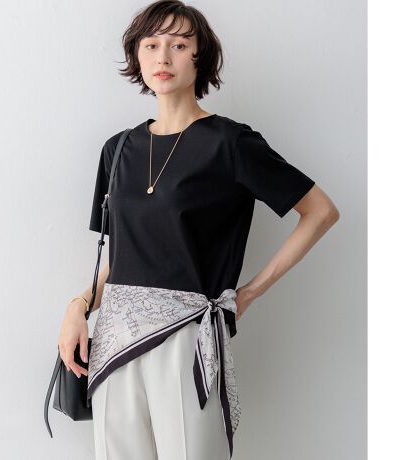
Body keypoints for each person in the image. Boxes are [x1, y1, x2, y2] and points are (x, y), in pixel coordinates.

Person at [57, 1, 340, 459]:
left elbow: (321, 212)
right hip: (114, 340)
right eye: (151, 45)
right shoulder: (118, 150)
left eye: (178, 44)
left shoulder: (230, 143)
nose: (163, 57)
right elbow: (124, 257)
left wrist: (248, 294)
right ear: (137, 56)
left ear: (199, 56)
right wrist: (79, 305)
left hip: (186, 337)